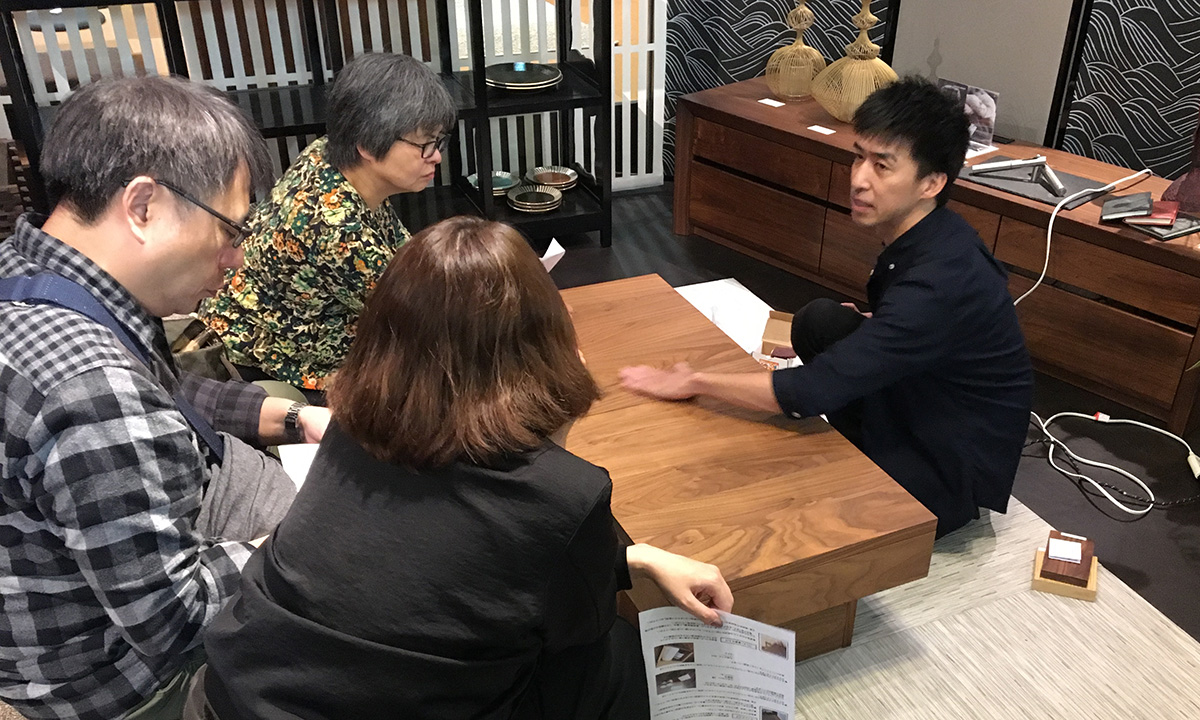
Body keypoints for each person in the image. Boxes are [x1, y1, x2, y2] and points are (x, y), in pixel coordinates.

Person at [184, 216, 734, 720]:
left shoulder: (353, 424)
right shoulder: (566, 491)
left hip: (236, 691)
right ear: (546, 341)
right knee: (610, 651)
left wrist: (634, 558)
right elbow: (567, 620)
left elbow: (448, 559)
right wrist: (557, 420)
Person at [0, 76, 331, 720]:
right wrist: (315, 535)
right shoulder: (92, 392)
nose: (235, 259)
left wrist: (297, 417)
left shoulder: (29, 268)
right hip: (126, 683)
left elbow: (169, 395)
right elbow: (175, 621)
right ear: (144, 205)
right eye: (230, 230)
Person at [621, 77, 1033, 538]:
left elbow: (810, 391)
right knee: (821, 320)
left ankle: (907, 488)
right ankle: (862, 438)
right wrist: (883, 330)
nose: (859, 178)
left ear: (931, 182)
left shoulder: (941, 280)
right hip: (925, 396)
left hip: (948, 459)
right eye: (859, 156)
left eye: (882, 166)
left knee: (808, 502)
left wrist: (694, 380)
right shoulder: (935, 233)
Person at [199, 52, 457, 402]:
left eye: (438, 142)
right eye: (425, 144)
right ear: (366, 144)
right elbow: (426, 316)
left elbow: (404, 256)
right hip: (272, 361)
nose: (436, 156)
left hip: (276, 324)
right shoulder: (337, 230)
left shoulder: (330, 155)